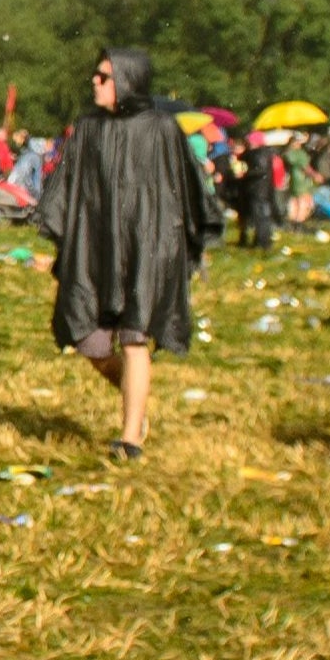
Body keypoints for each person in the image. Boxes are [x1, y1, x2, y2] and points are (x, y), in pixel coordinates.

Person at [40, 50, 212, 461]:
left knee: (136, 338)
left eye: (103, 76)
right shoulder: (86, 129)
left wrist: (187, 243)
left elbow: (188, 189)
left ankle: (130, 436)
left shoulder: (162, 129)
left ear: (127, 79)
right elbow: (66, 189)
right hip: (96, 251)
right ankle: (134, 396)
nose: (94, 83)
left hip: (147, 251)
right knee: (88, 340)